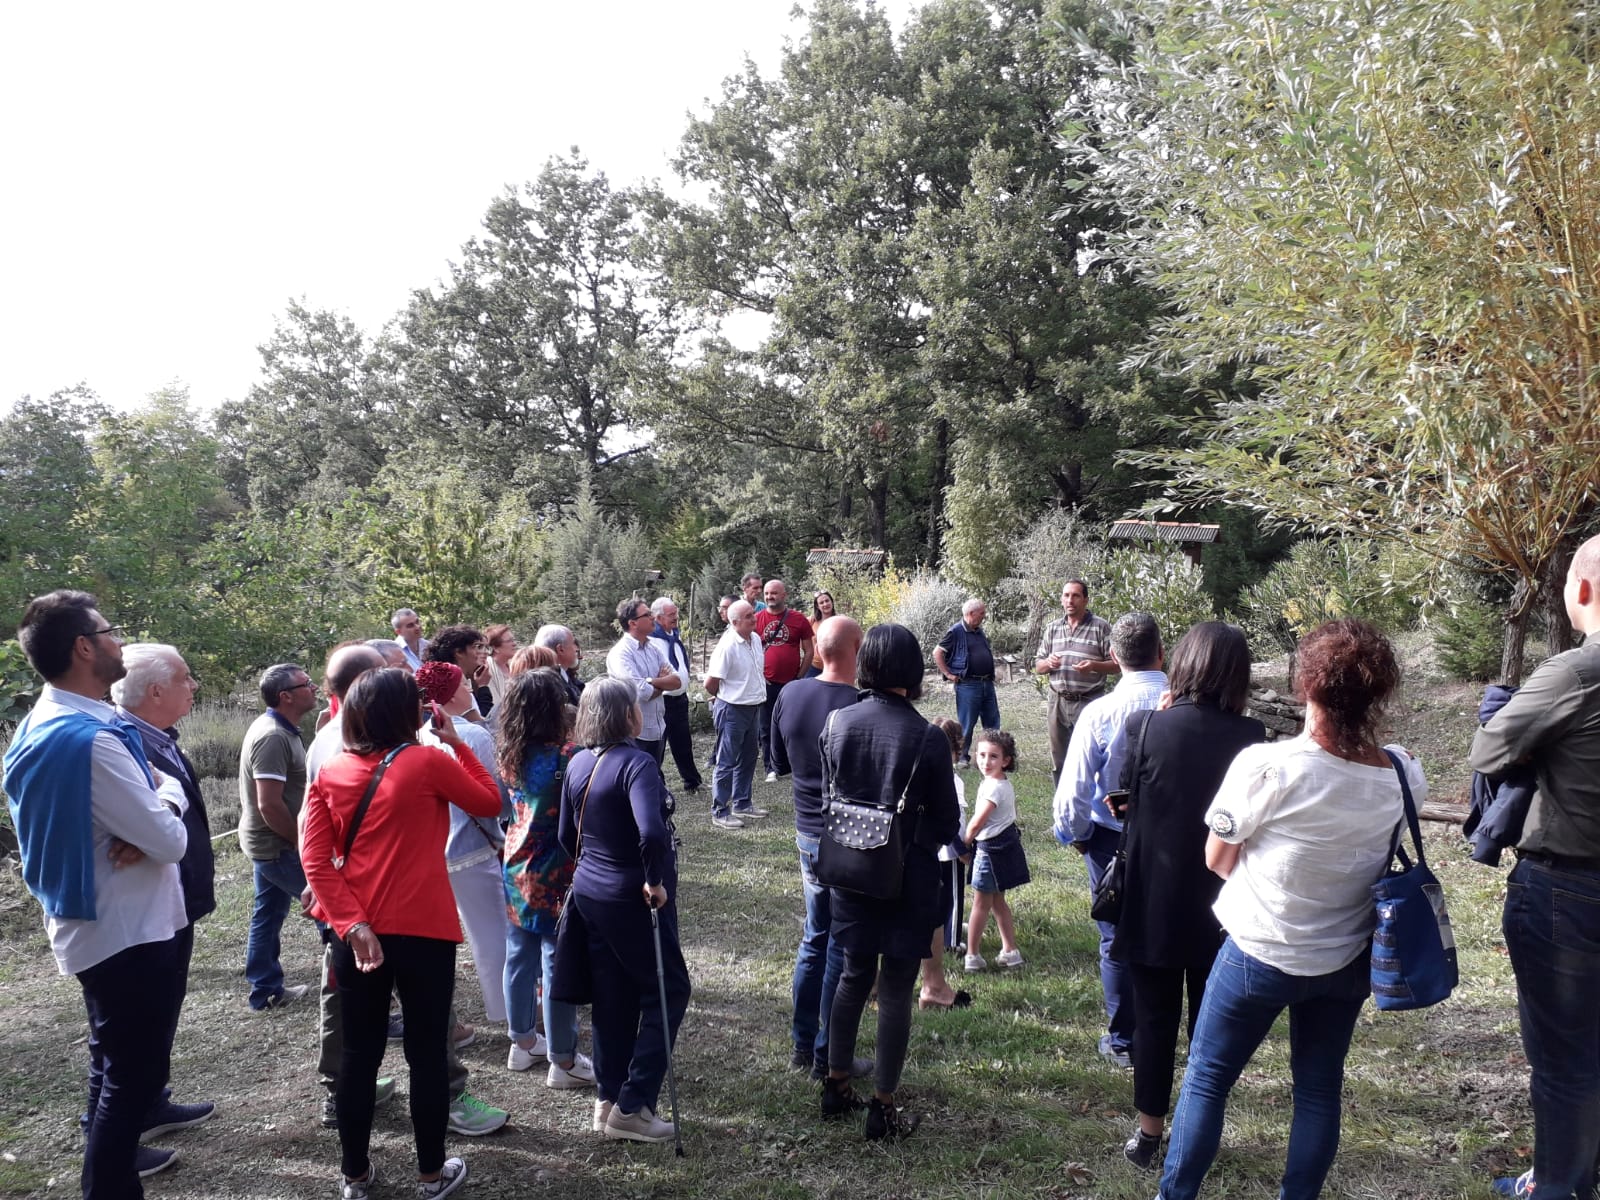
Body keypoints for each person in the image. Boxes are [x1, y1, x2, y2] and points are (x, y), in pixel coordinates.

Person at [1155, 619, 1425, 1200]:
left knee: (1206, 1081)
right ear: (1378, 693)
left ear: (1307, 685)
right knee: (1319, 1091)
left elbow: (1216, 859)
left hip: (1259, 953)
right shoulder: (1404, 772)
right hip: (1346, 960)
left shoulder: (1268, 765)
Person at [4, 591, 192, 1193]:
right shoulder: (92, 741)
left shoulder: (54, 722)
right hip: (125, 931)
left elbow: (164, 785)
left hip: (101, 922)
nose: (119, 642)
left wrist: (153, 810)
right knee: (129, 1083)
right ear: (84, 647)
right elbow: (170, 837)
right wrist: (158, 815)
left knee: (115, 1065)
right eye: (111, 632)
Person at [302, 668, 503, 1200]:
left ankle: (355, 1176)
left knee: (359, 1055)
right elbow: (489, 801)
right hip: (423, 930)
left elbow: (316, 862)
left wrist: (352, 924)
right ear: (407, 712)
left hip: (356, 935)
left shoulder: (332, 771)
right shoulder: (425, 761)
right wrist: (457, 742)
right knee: (426, 1054)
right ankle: (431, 1176)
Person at [1471, 533, 1600, 1200]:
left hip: (1569, 890)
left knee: (1563, 1057)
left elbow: (1491, 750)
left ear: (1579, 591)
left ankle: (1555, 1189)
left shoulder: (1575, 672)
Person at [1108, 622, 1265, 1170]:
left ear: (1185, 665)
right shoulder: (1253, 737)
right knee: (1209, 1024)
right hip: (1223, 901)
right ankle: (1198, 1133)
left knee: (1152, 1020)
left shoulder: (1147, 725)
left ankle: (1150, 1134)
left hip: (1153, 895)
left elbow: (1123, 801)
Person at [818, 624, 960, 1141]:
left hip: (849, 868)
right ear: (912, 669)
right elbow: (946, 822)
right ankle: (882, 1105)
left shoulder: (836, 722)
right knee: (897, 988)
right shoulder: (926, 736)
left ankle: (834, 1085)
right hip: (909, 877)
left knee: (853, 976)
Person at [556, 677, 690, 1144]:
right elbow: (651, 832)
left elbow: (563, 837)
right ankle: (633, 1107)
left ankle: (608, 1100)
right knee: (670, 990)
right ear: (628, 715)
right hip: (631, 896)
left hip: (589, 891)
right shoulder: (637, 763)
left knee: (614, 997)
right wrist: (652, 880)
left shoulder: (577, 763)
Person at [108, 645, 217, 1144]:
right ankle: (132, 1119)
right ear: (155, 691)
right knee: (135, 1022)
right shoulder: (121, 743)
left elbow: (166, 812)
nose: (194, 686)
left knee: (164, 1005)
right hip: (145, 906)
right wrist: (152, 824)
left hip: (174, 895)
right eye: (186, 678)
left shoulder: (160, 738)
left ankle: (152, 1100)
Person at [1052, 611, 1167, 1068]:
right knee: (1163, 933)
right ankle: (1160, 1033)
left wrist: (1077, 836)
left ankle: (1123, 1039)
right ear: (1161, 652)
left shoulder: (1100, 713)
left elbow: (1074, 791)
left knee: (1115, 938)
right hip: (1173, 838)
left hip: (1110, 839)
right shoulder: (1181, 705)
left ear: (1114, 656)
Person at [301, 643, 401, 1129]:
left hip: (342, 895)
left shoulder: (327, 737)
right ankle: (446, 1089)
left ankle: (339, 1088)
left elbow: (312, 829)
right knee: (353, 995)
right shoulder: (346, 740)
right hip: (365, 897)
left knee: (342, 993)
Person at [770, 615, 873, 1076]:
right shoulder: (860, 705)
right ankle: (828, 1054)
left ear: (817, 649)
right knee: (837, 943)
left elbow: (778, 760)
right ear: (856, 650)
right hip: (846, 835)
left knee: (814, 937)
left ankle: (801, 1044)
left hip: (806, 830)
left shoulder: (791, 693)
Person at [496, 669, 596, 1089]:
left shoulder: (510, 752)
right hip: (556, 867)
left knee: (518, 951)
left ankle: (522, 1041)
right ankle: (563, 1059)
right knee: (558, 957)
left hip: (517, 860)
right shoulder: (568, 755)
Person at [415, 662, 510, 1037]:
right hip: (473, 846)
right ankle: (509, 1013)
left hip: (438, 849)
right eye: (465, 683)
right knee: (494, 934)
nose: (471, 688)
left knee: (473, 932)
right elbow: (496, 799)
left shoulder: (420, 735)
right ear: (453, 692)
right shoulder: (471, 735)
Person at [238, 662, 319, 1011]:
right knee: (329, 912)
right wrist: (303, 844)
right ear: (286, 696)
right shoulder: (272, 736)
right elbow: (269, 804)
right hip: (276, 845)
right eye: (306, 684)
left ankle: (265, 990)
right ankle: (359, 999)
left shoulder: (284, 729)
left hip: (272, 842)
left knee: (268, 913)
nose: (314, 687)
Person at [1034, 580, 1115, 781]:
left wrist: (1094, 666)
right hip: (1057, 702)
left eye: (1076, 595)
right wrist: (1048, 663)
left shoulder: (1101, 627)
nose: (1070, 600)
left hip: (1089, 701)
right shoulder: (1053, 628)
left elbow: (1117, 665)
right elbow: (1038, 666)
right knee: (1059, 758)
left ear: (1085, 600)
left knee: (1090, 755)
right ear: (1062, 599)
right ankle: (1062, 807)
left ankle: (1091, 806)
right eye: (1066, 595)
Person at [963, 730, 1029, 971]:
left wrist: (965, 843)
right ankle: (1010, 951)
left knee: (980, 903)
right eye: (981, 755)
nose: (985, 761)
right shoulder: (999, 783)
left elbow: (978, 822)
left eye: (993, 756)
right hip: (1003, 848)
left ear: (1006, 761)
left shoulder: (993, 789)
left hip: (990, 851)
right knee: (998, 901)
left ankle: (972, 955)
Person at [704, 599, 767, 828]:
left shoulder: (755, 639)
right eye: (749, 616)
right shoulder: (727, 646)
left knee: (749, 756)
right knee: (726, 761)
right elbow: (711, 684)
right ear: (734, 622)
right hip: (732, 709)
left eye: (753, 614)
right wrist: (726, 697)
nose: (755, 618)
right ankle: (720, 810)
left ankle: (742, 802)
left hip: (753, 707)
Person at [605, 598, 679, 766]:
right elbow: (641, 693)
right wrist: (661, 683)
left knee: (654, 774)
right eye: (647, 614)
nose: (653, 617)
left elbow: (676, 681)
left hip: (657, 728)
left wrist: (651, 681)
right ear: (633, 623)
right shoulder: (620, 654)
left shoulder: (653, 647)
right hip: (634, 734)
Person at [756, 579, 813, 782]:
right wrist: (759, 676)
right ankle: (770, 767)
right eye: (767, 593)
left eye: (774, 593)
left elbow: (809, 651)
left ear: (784, 595)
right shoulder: (756, 619)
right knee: (766, 726)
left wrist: (799, 677)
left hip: (791, 683)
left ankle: (792, 763)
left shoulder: (798, 620)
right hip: (766, 683)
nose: (770, 597)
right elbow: (750, 652)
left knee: (793, 724)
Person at [934, 598, 1001, 767]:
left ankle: (992, 755)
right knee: (967, 723)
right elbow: (937, 652)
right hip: (968, 685)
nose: (984, 616)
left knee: (992, 721)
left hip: (986, 683)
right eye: (982, 613)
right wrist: (948, 674)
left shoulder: (978, 630)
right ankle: (962, 757)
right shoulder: (956, 631)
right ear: (971, 614)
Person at [649, 597, 703, 796]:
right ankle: (657, 785)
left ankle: (692, 781)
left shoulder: (674, 636)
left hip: (680, 699)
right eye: (671, 615)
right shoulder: (652, 641)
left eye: (676, 613)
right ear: (658, 618)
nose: (676, 618)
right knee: (659, 744)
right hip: (661, 699)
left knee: (683, 742)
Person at [425, 627, 490, 720]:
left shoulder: (468, 682)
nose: (483, 652)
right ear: (459, 652)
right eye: (477, 647)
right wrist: (483, 687)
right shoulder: (456, 691)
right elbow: (483, 727)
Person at [534, 624, 584, 706]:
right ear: (560, 649)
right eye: (572, 644)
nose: (576, 649)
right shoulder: (545, 685)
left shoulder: (563, 675)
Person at [479, 624, 519, 714]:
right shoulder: (487, 669)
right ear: (495, 648)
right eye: (509, 641)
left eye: (513, 640)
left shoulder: (515, 666)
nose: (514, 644)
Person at [805, 592, 837, 676]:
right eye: (821, 603)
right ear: (817, 606)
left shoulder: (840, 621)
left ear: (832, 602)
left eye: (827, 601)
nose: (825, 604)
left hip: (834, 668)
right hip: (814, 668)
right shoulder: (811, 621)